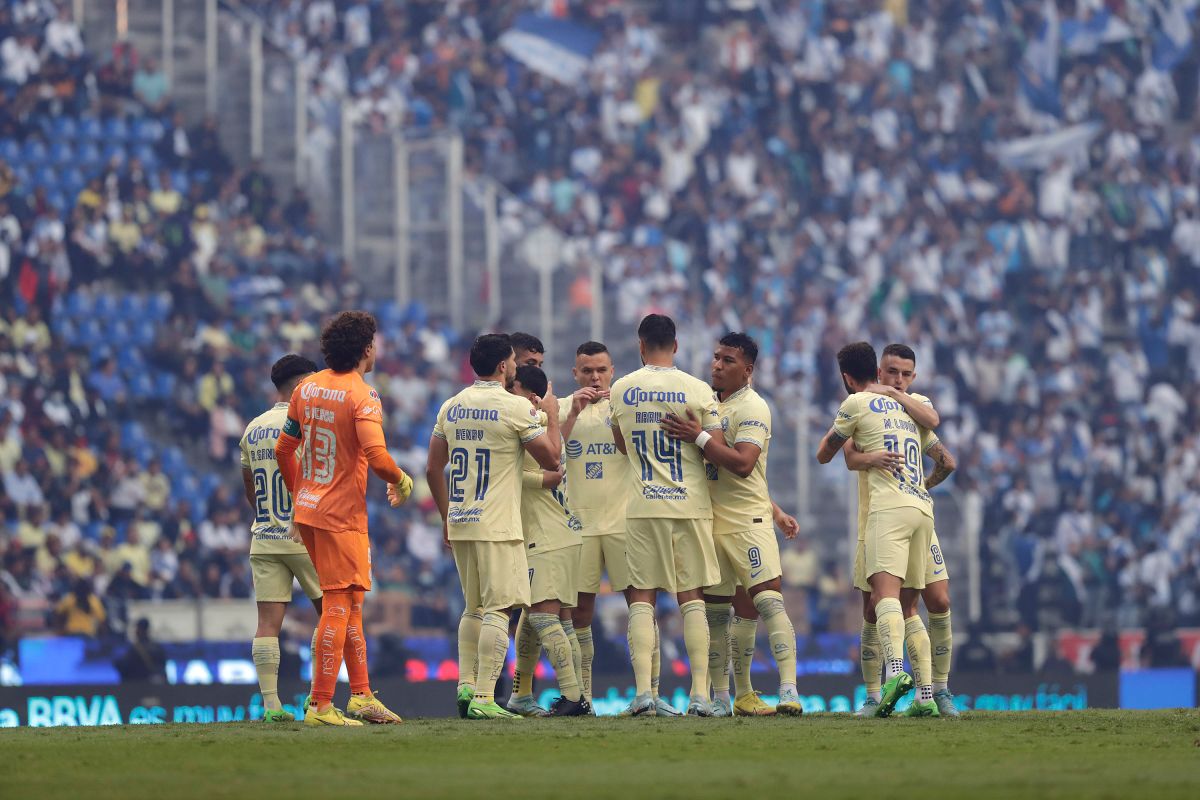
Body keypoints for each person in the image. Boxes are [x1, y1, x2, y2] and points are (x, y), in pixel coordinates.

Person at [276, 311, 415, 727]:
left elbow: (285, 449)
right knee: (339, 603)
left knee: (350, 602)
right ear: (366, 349)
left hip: (310, 510)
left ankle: (361, 695)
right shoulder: (363, 395)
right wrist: (401, 479)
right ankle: (320, 705)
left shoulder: (307, 387)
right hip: (342, 517)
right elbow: (376, 456)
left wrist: (301, 493)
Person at [660, 332, 803, 716]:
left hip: (747, 522)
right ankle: (728, 697)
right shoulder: (706, 403)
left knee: (766, 602)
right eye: (716, 358)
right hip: (709, 522)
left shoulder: (753, 407)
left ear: (748, 370)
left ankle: (788, 690)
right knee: (718, 613)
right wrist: (779, 509)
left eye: (727, 361)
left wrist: (699, 436)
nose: (717, 366)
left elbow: (742, 465)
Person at [425, 333, 562, 720]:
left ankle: (466, 687)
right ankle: (486, 696)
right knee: (499, 609)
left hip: (462, 520)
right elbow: (552, 460)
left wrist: (445, 517)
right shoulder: (513, 407)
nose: (518, 367)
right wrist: (549, 414)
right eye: (514, 363)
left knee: (473, 608)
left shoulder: (450, 407)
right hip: (498, 523)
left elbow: (433, 467)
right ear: (504, 365)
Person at [816, 342, 939, 717]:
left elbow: (824, 454)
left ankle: (895, 675)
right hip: (923, 510)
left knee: (881, 598)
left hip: (884, 512)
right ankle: (927, 696)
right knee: (911, 607)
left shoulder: (855, 404)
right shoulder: (912, 407)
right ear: (879, 371)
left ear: (847, 378)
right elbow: (942, 450)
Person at [608, 314, 722, 717]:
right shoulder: (697, 389)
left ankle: (643, 695)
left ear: (640, 346)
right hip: (689, 504)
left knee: (642, 598)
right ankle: (700, 697)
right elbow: (717, 448)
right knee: (691, 598)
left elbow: (621, 444)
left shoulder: (620, 389)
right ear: (675, 345)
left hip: (642, 507)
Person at [840, 344, 959, 717]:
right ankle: (875, 697)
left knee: (937, 600)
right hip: (874, 518)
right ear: (879, 369)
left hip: (913, 511)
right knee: (874, 609)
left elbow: (947, 460)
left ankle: (937, 690)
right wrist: (872, 458)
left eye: (906, 374)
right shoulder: (863, 405)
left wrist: (921, 484)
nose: (899, 380)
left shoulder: (914, 409)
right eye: (892, 372)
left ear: (915, 377)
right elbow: (847, 455)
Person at [560, 341, 675, 713]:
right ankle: (583, 699)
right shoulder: (561, 409)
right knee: (579, 615)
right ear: (574, 373)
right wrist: (572, 414)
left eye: (601, 370)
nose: (595, 377)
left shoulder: (627, 405)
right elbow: (546, 454)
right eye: (587, 371)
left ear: (613, 372)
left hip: (627, 522)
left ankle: (650, 693)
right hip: (578, 524)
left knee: (640, 606)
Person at [241, 354, 323, 722]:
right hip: (305, 535)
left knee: (267, 624)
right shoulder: (305, 425)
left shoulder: (252, 429)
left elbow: (249, 489)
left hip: (264, 536)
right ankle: (318, 698)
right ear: (299, 386)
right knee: (335, 613)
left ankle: (272, 705)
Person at [506, 364, 587, 717]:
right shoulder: (541, 427)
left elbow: (547, 475)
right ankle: (521, 696)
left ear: (528, 394)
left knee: (543, 617)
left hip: (548, 535)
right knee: (543, 616)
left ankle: (572, 697)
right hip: (557, 532)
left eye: (513, 388)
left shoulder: (530, 429)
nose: (507, 394)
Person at [115, 618, 167, 683]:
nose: (135, 631)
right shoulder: (157, 647)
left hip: (137, 686)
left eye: (137, 629)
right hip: (153, 686)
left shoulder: (135, 649)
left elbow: (125, 666)